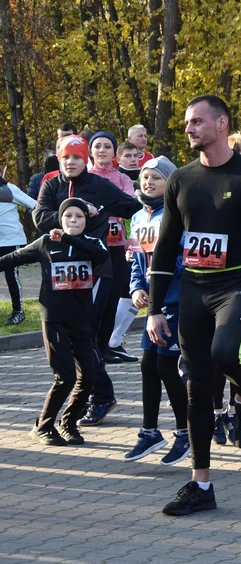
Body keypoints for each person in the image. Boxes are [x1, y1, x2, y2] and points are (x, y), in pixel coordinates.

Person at [147, 95, 241, 516]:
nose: (189, 128)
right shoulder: (181, 180)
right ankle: (200, 484)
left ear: (222, 124)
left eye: (197, 122)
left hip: (236, 286)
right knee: (197, 387)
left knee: (226, 352)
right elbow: (165, 249)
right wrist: (152, 309)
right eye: (187, 122)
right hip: (193, 291)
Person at [34, 135, 141, 426]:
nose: (71, 162)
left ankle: (100, 395)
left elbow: (132, 207)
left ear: (86, 160)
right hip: (61, 276)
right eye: (66, 157)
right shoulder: (51, 185)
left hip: (94, 271)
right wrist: (74, 212)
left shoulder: (99, 185)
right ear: (59, 159)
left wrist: (107, 213)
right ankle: (93, 395)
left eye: (77, 157)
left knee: (84, 336)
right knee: (78, 339)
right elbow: (40, 217)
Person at [0, 198, 108, 445]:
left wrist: (68, 239)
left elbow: (100, 257)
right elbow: (13, 258)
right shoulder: (46, 243)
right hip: (54, 319)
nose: (73, 220)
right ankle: (43, 426)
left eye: (79, 217)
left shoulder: (92, 242)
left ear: (86, 220)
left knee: (89, 377)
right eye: (68, 216)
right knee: (65, 377)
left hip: (81, 320)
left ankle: (68, 423)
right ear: (60, 219)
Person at [123, 157, 190, 465]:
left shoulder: (179, 215)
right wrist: (137, 287)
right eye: (144, 177)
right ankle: (150, 432)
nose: (148, 182)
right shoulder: (137, 218)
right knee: (148, 367)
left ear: (171, 183)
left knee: (166, 367)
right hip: (153, 306)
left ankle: (185, 432)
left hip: (177, 301)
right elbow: (137, 261)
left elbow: (188, 259)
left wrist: (162, 273)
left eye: (156, 178)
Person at [88, 131, 140, 367]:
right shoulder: (86, 177)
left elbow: (128, 204)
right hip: (91, 245)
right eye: (97, 146)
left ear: (114, 153)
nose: (102, 150)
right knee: (93, 297)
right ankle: (88, 344)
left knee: (113, 297)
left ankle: (106, 345)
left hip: (117, 245)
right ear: (90, 151)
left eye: (107, 146)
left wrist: (101, 207)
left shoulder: (122, 179)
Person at [0, 175, 36, 325]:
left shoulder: (10, 189)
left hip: (11, 240)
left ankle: (18, 311)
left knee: (11, 275)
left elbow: (33, 204)